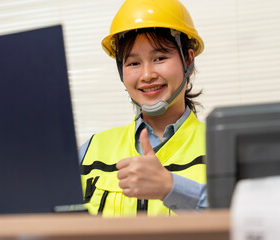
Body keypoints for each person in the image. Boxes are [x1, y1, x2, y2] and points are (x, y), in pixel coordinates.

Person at [79, 0, 207, 217]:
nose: (147, 75)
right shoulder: (90, 153)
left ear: (188, 60)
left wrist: (172, 188)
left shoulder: (219, 148)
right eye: (133, 63)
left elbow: (253, 220)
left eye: (159, 58)